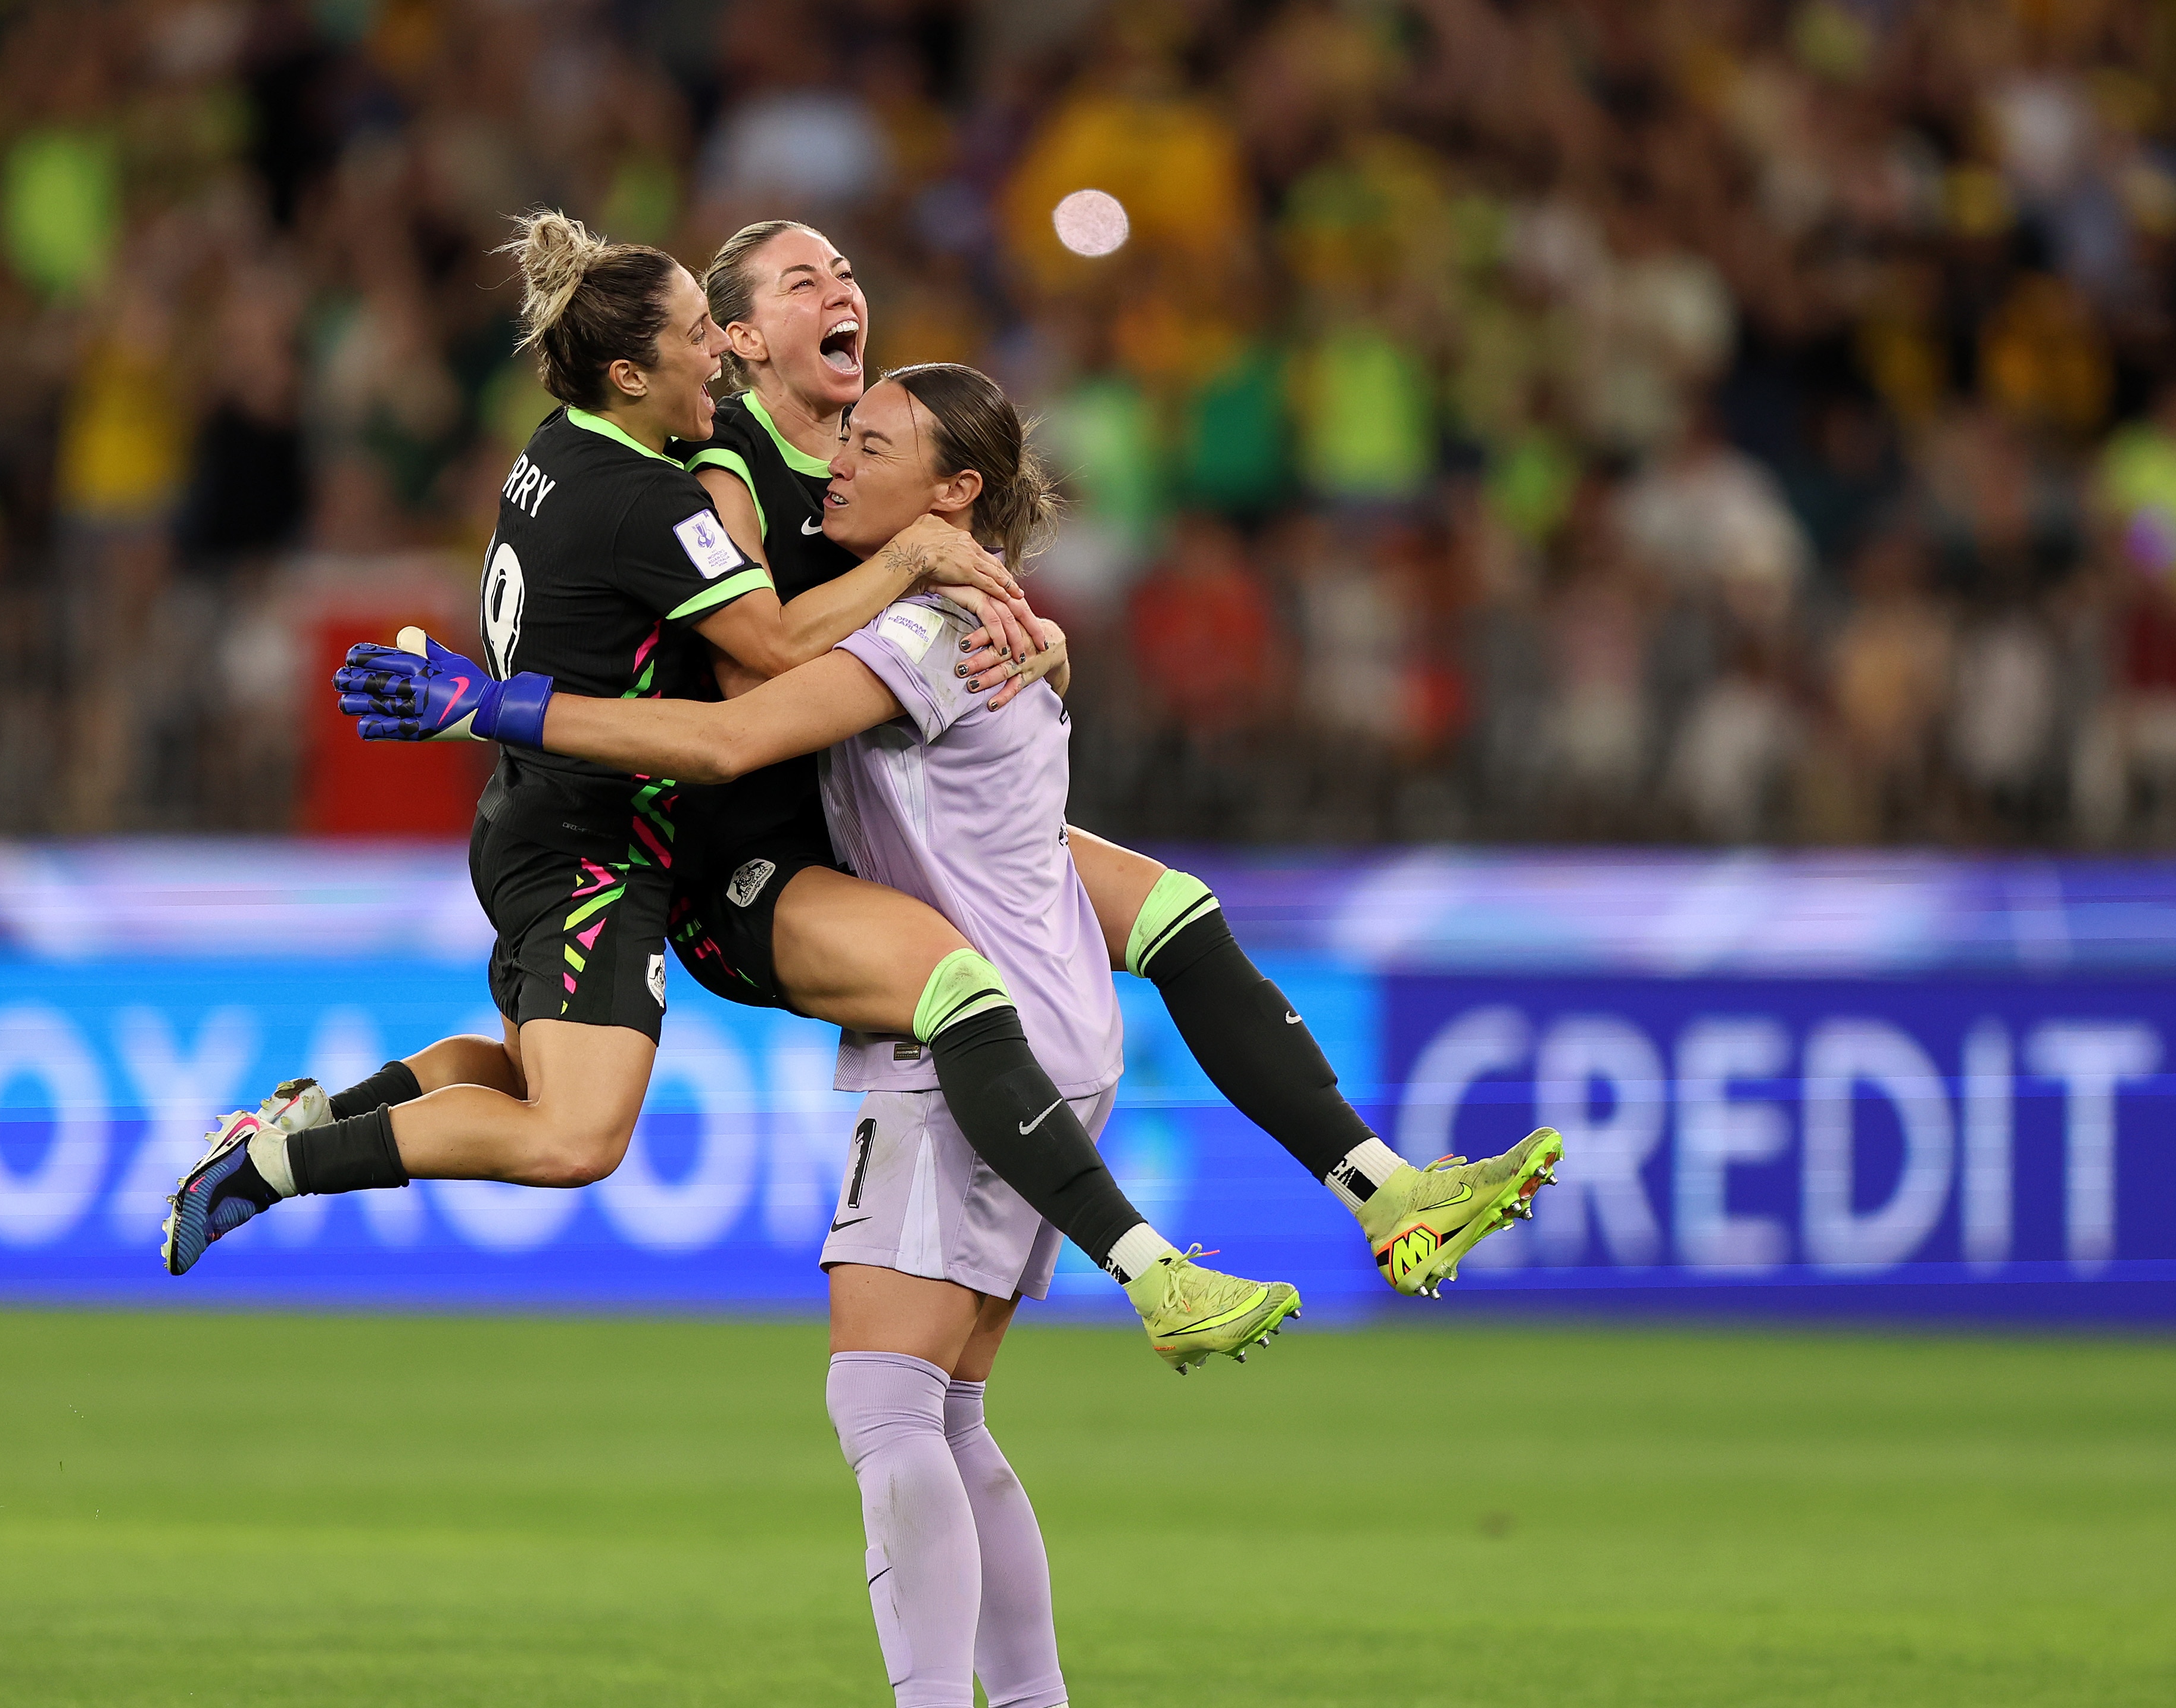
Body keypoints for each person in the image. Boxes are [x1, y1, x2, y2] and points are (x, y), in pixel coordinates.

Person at [343, 363, 1308, 1708]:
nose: (835, 458)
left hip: (960, 1030)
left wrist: (504, 708)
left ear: (954, 493)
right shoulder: (949, 604)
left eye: (872, 446)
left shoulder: (920, 621)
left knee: (881, 1398)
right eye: (837, 430)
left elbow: (731, 733)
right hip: (1025, 1012)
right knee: (953, 1411)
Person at [164, 212, 1294, 1370]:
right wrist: (910, 560)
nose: (722, 357)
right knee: (571, 1135)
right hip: (599, 843)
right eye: (701, 337)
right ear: (629, 371)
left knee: (515, 1073)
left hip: (532, 821)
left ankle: (301, 1121)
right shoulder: (654, 503)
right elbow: (767, 648)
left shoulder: (552, 452)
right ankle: (271, 1165)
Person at [667, 219, 1561, 1293]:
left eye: (844, 273)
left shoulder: (875, 454)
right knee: (961, 1010)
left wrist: (1036, 646)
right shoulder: (735, 470)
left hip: (887, 802)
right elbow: (747, 670)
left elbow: (953, 644)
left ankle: (1381, 1187)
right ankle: (1148, 1271)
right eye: (801, 283)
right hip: (773, 849)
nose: (837, 293)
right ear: (743, 338)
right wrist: (912, 575)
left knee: (1176, 910)